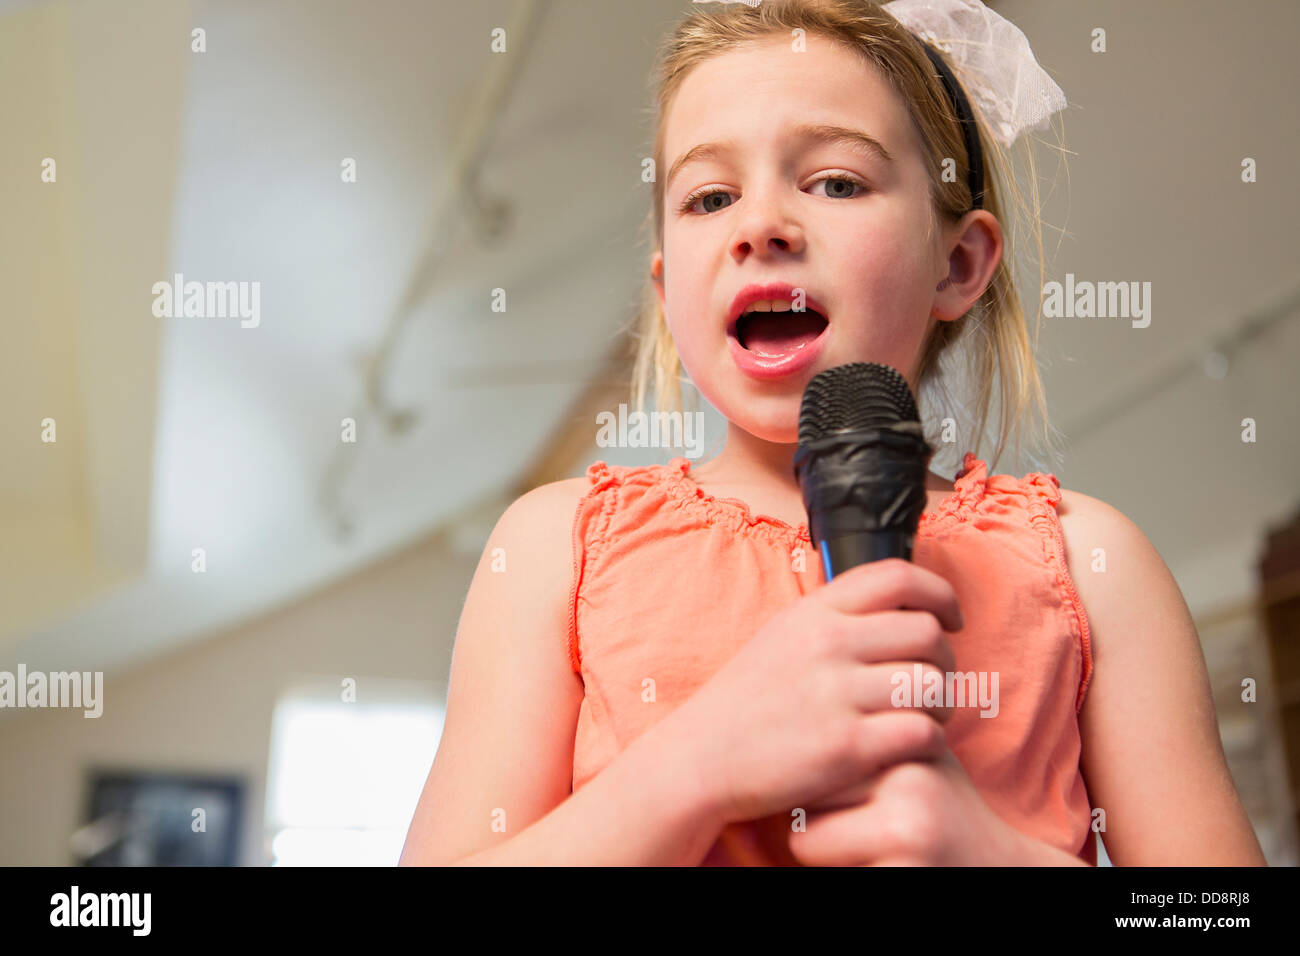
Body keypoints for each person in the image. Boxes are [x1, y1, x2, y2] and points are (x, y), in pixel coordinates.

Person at [400, 0, 1265, 866]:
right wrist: (693, 766)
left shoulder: (1094, 568)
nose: (760, 226)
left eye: (837, 182)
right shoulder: (556, 549)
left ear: (958, 263)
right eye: (709, 196)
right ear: (667, 297)